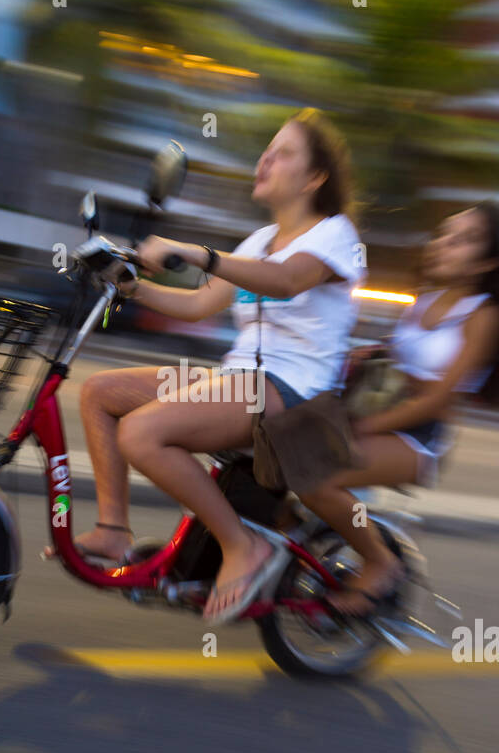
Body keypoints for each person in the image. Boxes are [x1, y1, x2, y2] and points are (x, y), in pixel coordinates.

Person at [72, 108, 365, 623]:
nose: (266, 159)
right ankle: (115, 530)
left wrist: (197, 252)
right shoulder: (257, 242)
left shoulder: (333, 234)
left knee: (142, 434)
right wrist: (129, 285)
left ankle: (240, 546)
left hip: (291, 390)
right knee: (99, 393)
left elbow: (289, 280)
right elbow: (197, 305)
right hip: (238, 381)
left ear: (315, 178)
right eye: (266, 151)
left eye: (284, 153)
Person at [298, 202, 499, 616]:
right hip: (378, 420)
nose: (444, 244)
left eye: (464, 239)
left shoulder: (484, 316)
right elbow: (396, 371)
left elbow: (438, 399)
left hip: (420, 439)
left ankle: (380, 564)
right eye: (444, 234)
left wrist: (365, 427)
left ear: (486, 262)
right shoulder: (422, 301)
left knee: (314, 478)